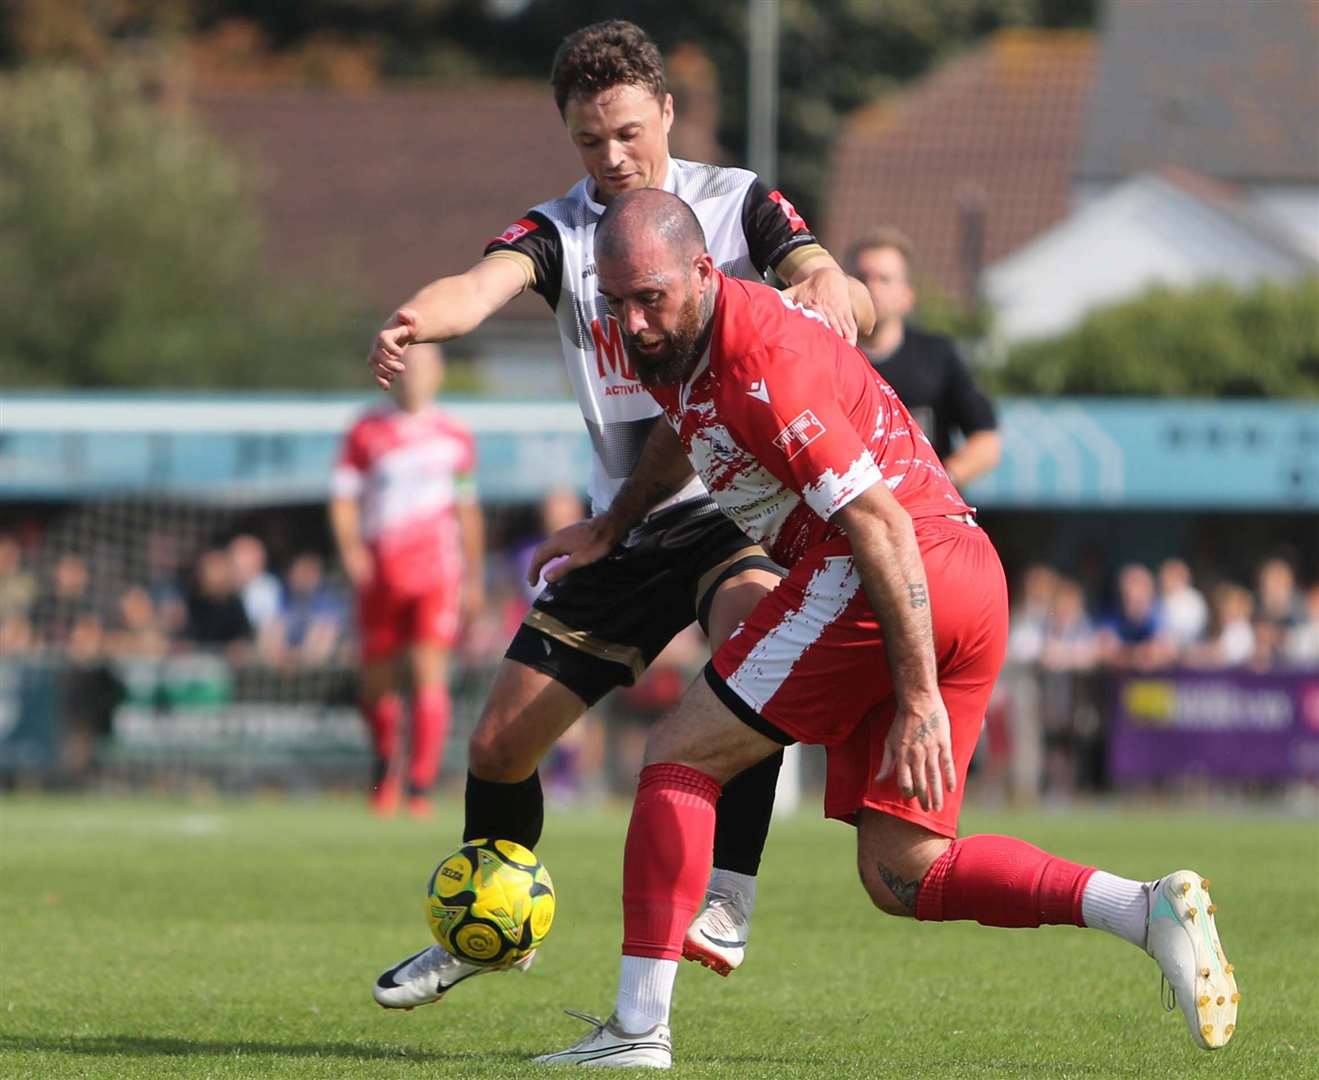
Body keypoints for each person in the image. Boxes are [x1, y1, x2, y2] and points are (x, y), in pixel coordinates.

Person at [532, 189, 1237, 1067]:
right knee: (903, 872)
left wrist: (917, 699)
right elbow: (685, 428)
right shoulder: (676, 344)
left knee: (678, 756)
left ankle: (635, 1032)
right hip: (963, 575)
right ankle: (1142, 909)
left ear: (705, 273)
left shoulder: (763, 362)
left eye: (652, 298)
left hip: (894, 569)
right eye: (617, 300)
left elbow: (878, 525)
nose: (634, 322)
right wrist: (612, 523)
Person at [366, 19, 875, 1006]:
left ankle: (726, 893)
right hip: (627, 524)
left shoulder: (734, 203)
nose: (611, 158)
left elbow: (812, 263)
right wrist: (416, 318)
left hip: (740, 513)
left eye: (628, 134)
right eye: (589, 141)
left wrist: (822, 279)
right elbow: (480, 286)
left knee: (749, 646)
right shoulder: (559, 230)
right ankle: (487, 924)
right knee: (496, 746)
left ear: (667, 115)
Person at [331, 342, 484, 819]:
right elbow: (343, 499)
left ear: (438, 375)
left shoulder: (454, 435)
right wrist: (353, 552)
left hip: (437, 572)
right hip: (381, 572)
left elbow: (466, 508)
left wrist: (474, 576)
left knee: (428, 674)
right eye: (408, 367)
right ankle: (384, 768)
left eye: (424, 367)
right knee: (377, 681)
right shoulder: (365, 431)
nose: (415, 376)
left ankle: (419, 785)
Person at [850, 227, 1000, 488]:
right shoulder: (827, 357)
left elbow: (986, 440)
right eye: (862, 277)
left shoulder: (937, 355)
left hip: (925, 518)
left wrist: (937, 484)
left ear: (907, 297)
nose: (871, 287)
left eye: (884, 279)